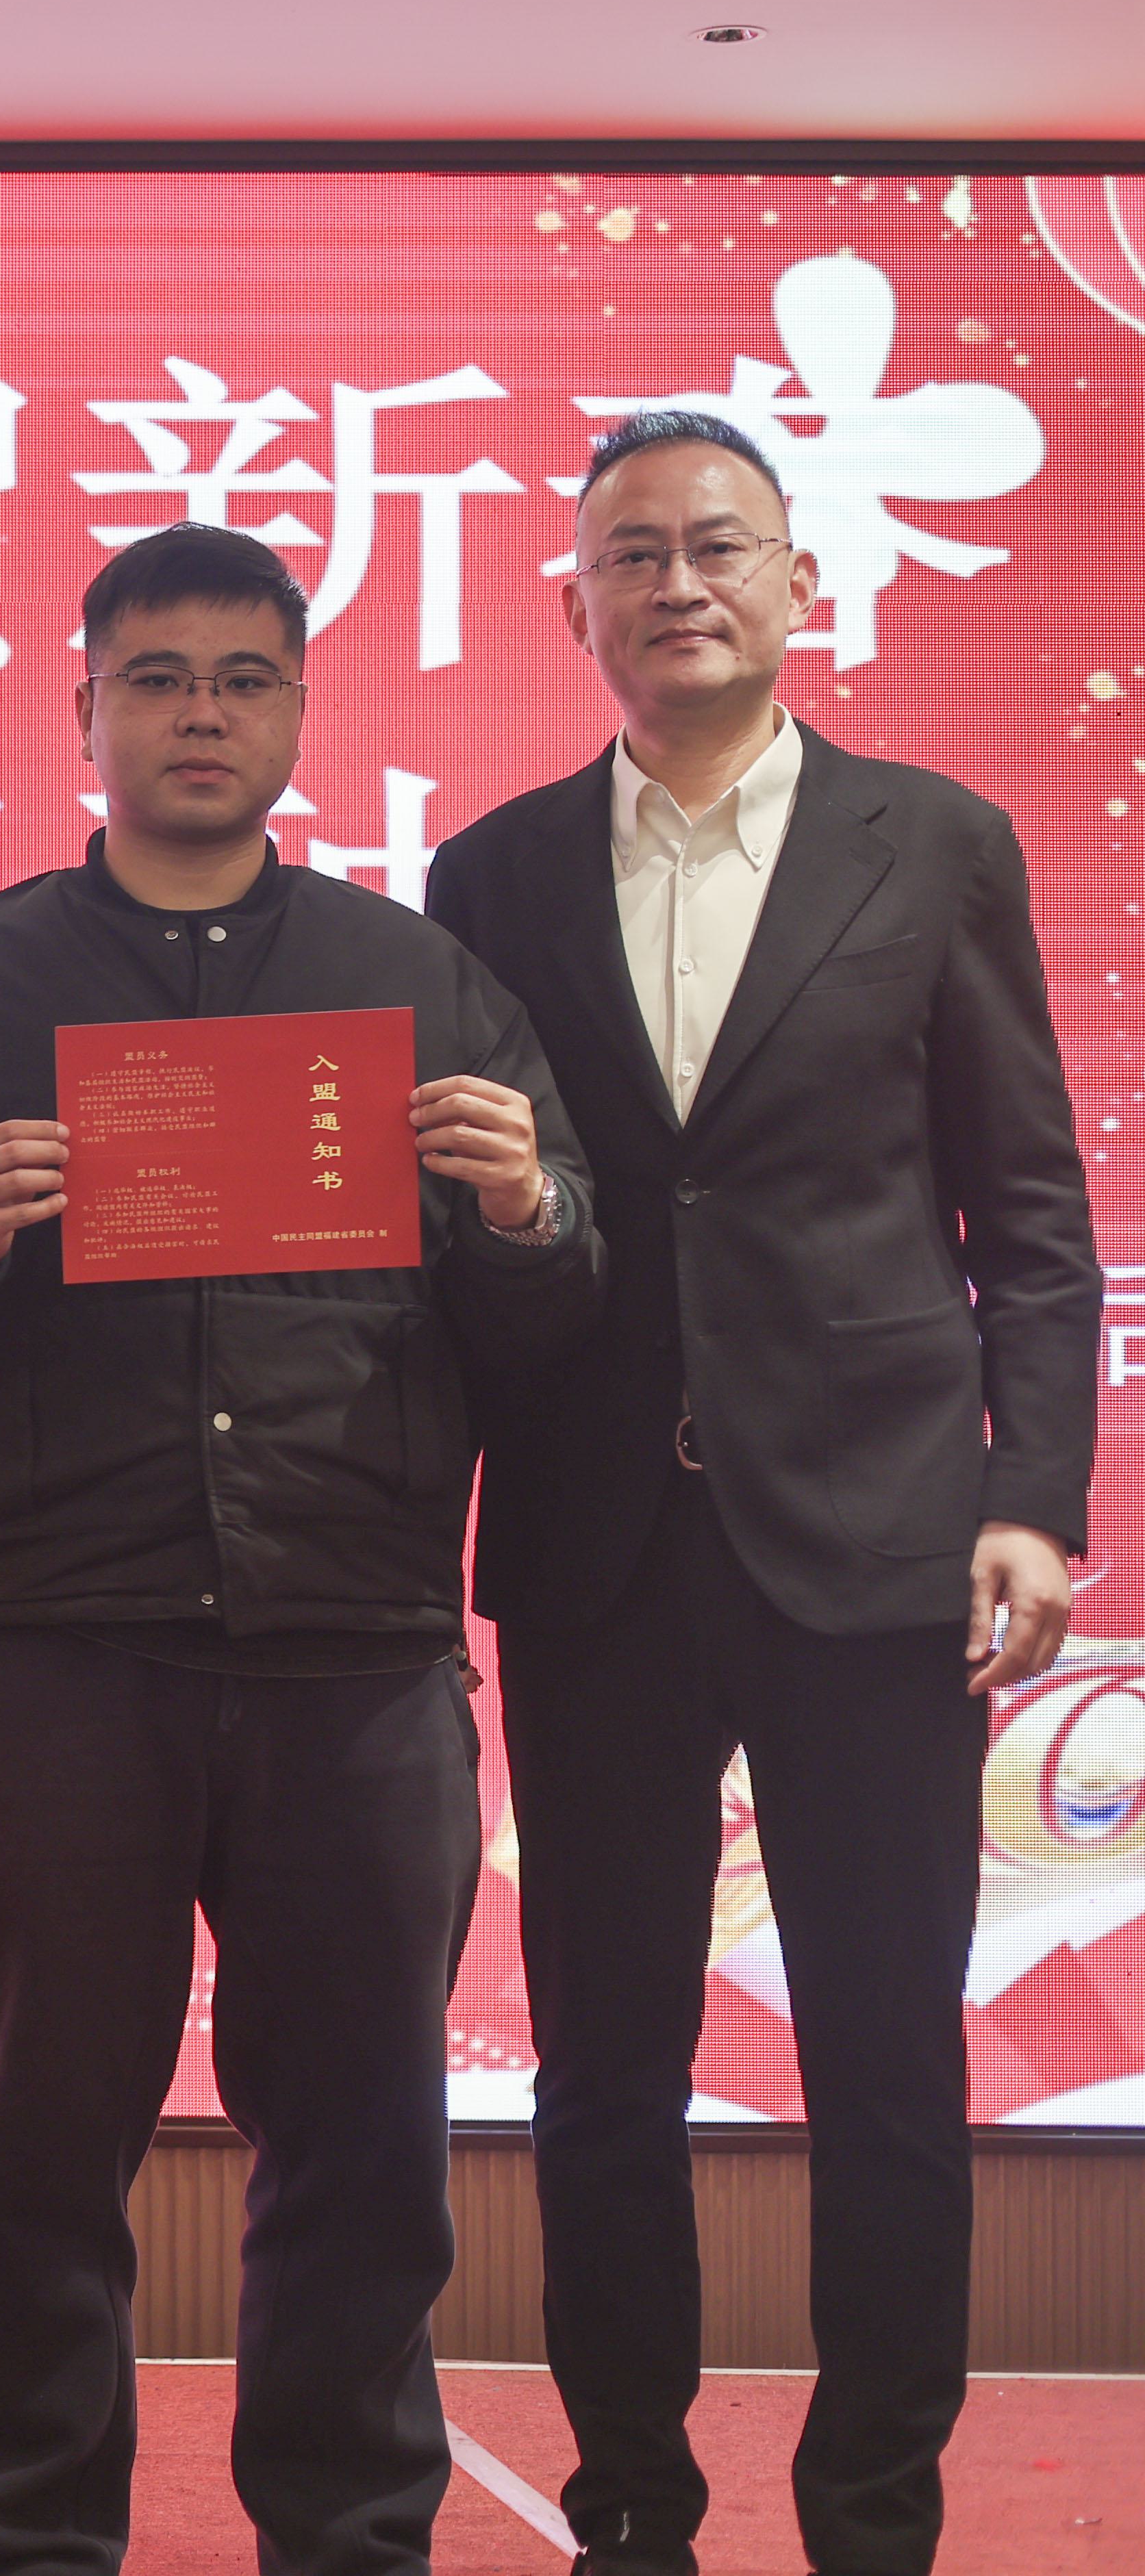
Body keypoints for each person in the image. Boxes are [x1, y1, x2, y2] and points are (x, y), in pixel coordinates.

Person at [0, 524, 600, 2576]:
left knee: (364, 2159)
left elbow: (556, 1321)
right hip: (68, 1652)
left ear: (299, 711)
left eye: (243, 679)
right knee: (40, 2152)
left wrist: (528, 1211)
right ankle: (34, 2539)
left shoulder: (416, 982)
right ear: (87, 711)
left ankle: (351, 2536)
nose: (201, 715)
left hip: (360, 1652)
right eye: (157, 678)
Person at [425, 410, 1098, 2576]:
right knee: (604, 2074)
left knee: (890, 2062)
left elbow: (1029, 1210)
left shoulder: (937, 843)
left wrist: (1034, 1494)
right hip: (601, 1545)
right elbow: (475, 1237)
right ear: (578, 609)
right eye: (633, 555)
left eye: (719, 545)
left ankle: (875, 2513)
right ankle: (632, 2499)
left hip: (881, 1541)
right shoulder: (491, 877)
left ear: (804, 583)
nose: (679, 582)